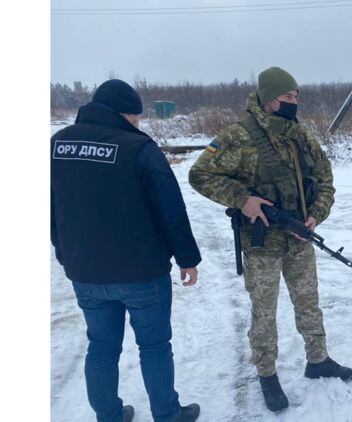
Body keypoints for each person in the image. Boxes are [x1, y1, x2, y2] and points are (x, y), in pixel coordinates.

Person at [188, 66, 352, 413]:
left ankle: (318, 359)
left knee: (308, 302)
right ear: (268, 100)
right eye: (287, 96)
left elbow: (325, 179)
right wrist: (242, 199)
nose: (294, 101)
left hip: (299, 239)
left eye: (296, 96)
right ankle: (266, 373)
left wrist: (316, 215)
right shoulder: (239, 136)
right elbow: (200, 175)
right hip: (261, 245)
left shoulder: (299, 135)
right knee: (264, 312)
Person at [51, 79, 202, 422]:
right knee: (154, 346)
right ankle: (168, 415)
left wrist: (65, 252)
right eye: (135, 118)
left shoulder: (56, 145)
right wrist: (187, 259)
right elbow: (170, 210)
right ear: (122, 114)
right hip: (142, 274)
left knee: (101, 347)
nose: (138, 124)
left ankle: (109, 415)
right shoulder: (139, 148)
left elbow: (50, 209)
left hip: (85, 273)